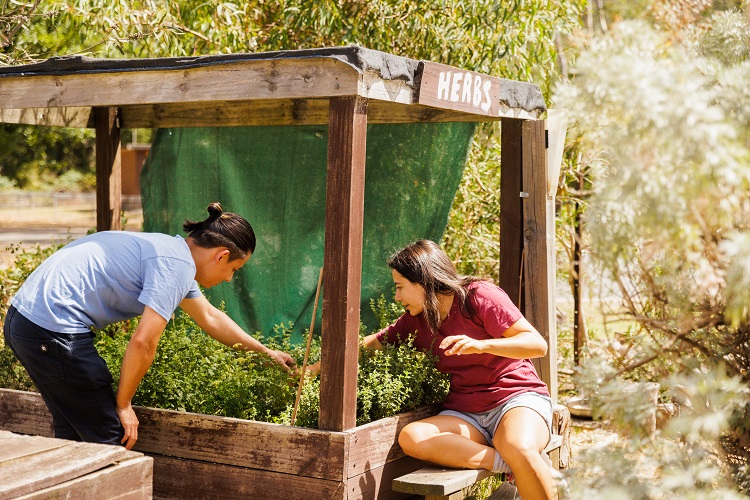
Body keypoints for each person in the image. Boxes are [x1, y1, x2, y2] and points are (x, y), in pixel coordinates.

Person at [3, 202, 296, 450]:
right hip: (51, 329)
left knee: (75, 434)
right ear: (220, 255)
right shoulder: (175, 266)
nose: (230, 278)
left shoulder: (171, 253)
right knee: (112, 439)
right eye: (233, 269)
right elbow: (144, 342)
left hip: (23, 321)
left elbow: (210, 317)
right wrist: (124, 404)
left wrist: (264, 352)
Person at [314, 240, 558, 499]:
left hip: (516, 400)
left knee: (519, 447)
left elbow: (536, 344)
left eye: (399, 287)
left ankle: (518, 459)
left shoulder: (478, 295)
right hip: (467, 414)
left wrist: (481, 345)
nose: (396, 297)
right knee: (413, 437)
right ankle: (507, 463)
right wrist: (314, 369)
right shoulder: (415, 321)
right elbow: (371, 344)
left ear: (423, 281)